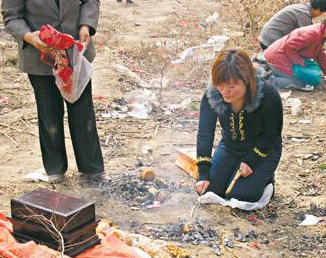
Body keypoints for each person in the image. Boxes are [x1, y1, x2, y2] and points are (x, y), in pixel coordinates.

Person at [1, 0, 105, 183]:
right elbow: (12, 17)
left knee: (83, 112)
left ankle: (92, 170)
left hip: (75, 52)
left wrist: (85, 25)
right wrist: (30, 37)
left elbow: (90, 1)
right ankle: (55, 168)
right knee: (49, 113)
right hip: (39, 57)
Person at [195, 49, 283, 203]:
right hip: (230, 147)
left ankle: (267, 180)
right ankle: (233, 170)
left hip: (263, 150)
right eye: (220, 86)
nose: (225, 92)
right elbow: (205, 133)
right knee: (210, 189)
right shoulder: (213, 94)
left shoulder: (267, 95)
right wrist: (203, 173)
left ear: (247, 79)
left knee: (240, 195)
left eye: (231, 86)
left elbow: (272, 134)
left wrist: (252, 161)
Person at [264, 21, 326, 91]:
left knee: (310, 76)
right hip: (276, 59)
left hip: (284, 56)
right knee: (303, 83)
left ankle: (274, 72)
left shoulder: (320, 32)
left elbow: (319, 53)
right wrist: (300, 63)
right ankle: (267, 81)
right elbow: (288, 47)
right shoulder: (312, 34)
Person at [259, 0, 326, 50]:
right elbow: (306, 39)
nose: (319, 16)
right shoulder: (304, 15)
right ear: (318, 9)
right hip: (270, 41)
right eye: (322, 13)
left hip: (265, 36)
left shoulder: (302, 7)